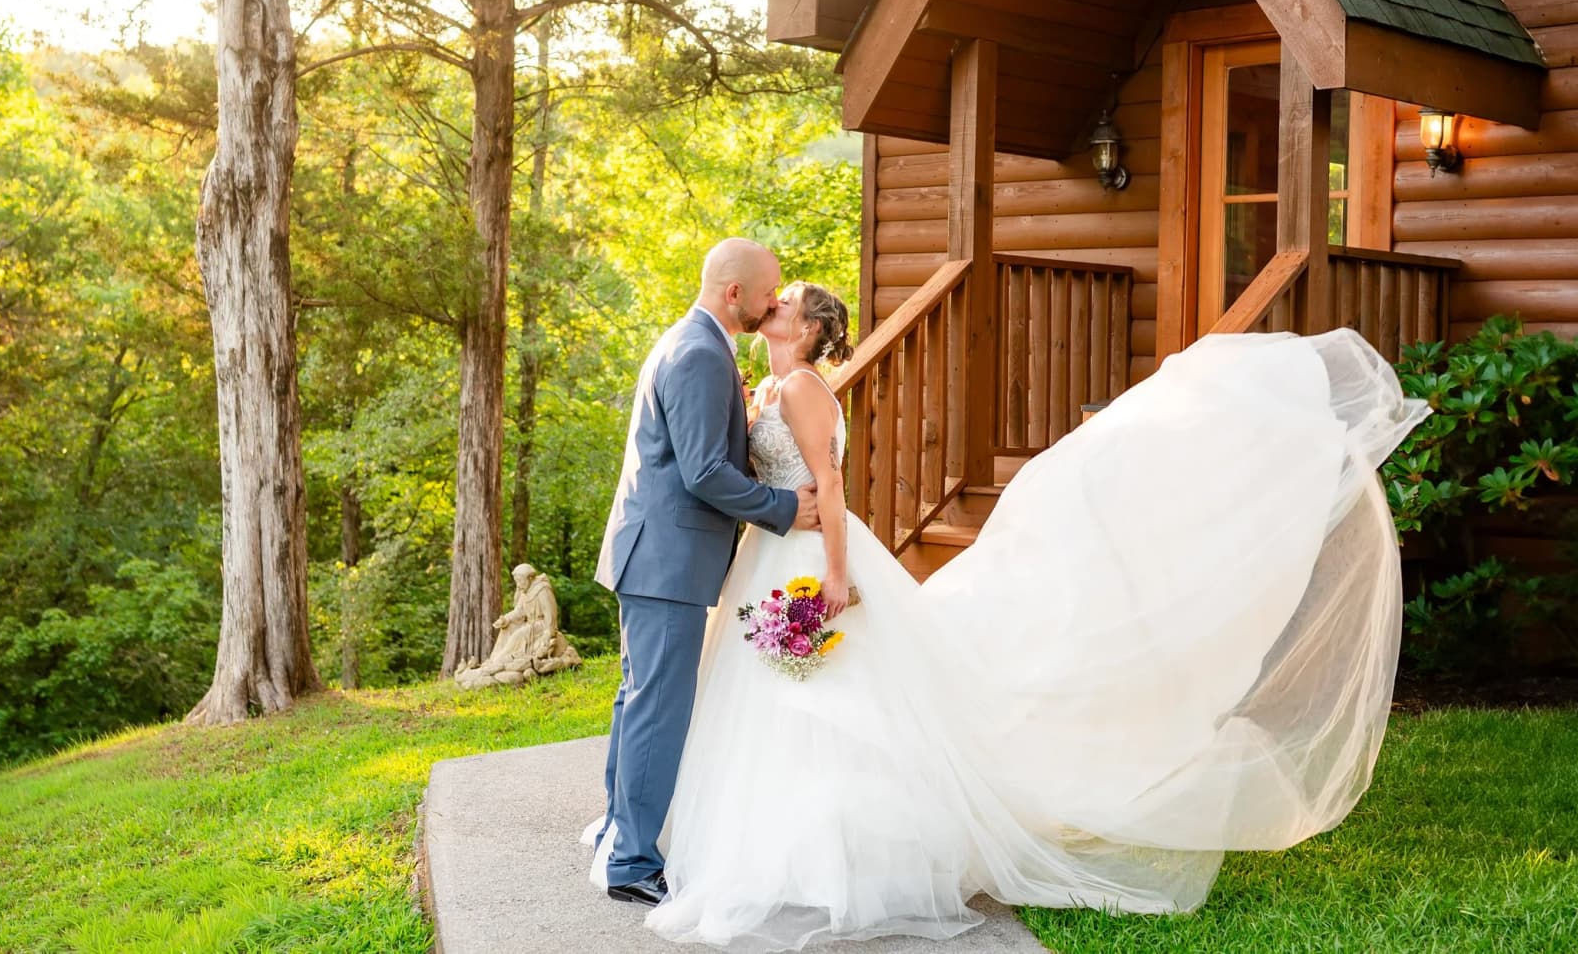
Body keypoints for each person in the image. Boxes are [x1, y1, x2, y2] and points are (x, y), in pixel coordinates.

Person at [604, 277, 1428, 950]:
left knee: (833, 701)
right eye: (772, 296)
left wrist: (835, 576)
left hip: (810, 557)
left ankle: (825, 856)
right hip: (768, 557)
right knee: (771, 703)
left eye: (785, 302)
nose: (771, 305)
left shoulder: (808, 389)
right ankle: (753, 838)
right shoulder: (774, 385)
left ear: (811, 326)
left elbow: (831, 485)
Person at [591, 239, 823, 906]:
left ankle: (620, 830)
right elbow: (703, 472)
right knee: (658, 709)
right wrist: (783, 507)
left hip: (656, 553)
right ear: (733, 295)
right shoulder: (698, 354)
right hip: (667, 560)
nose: (773, 303)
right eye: (767, 293)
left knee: (640, 699)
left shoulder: (690, 340)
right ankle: (633, 861)